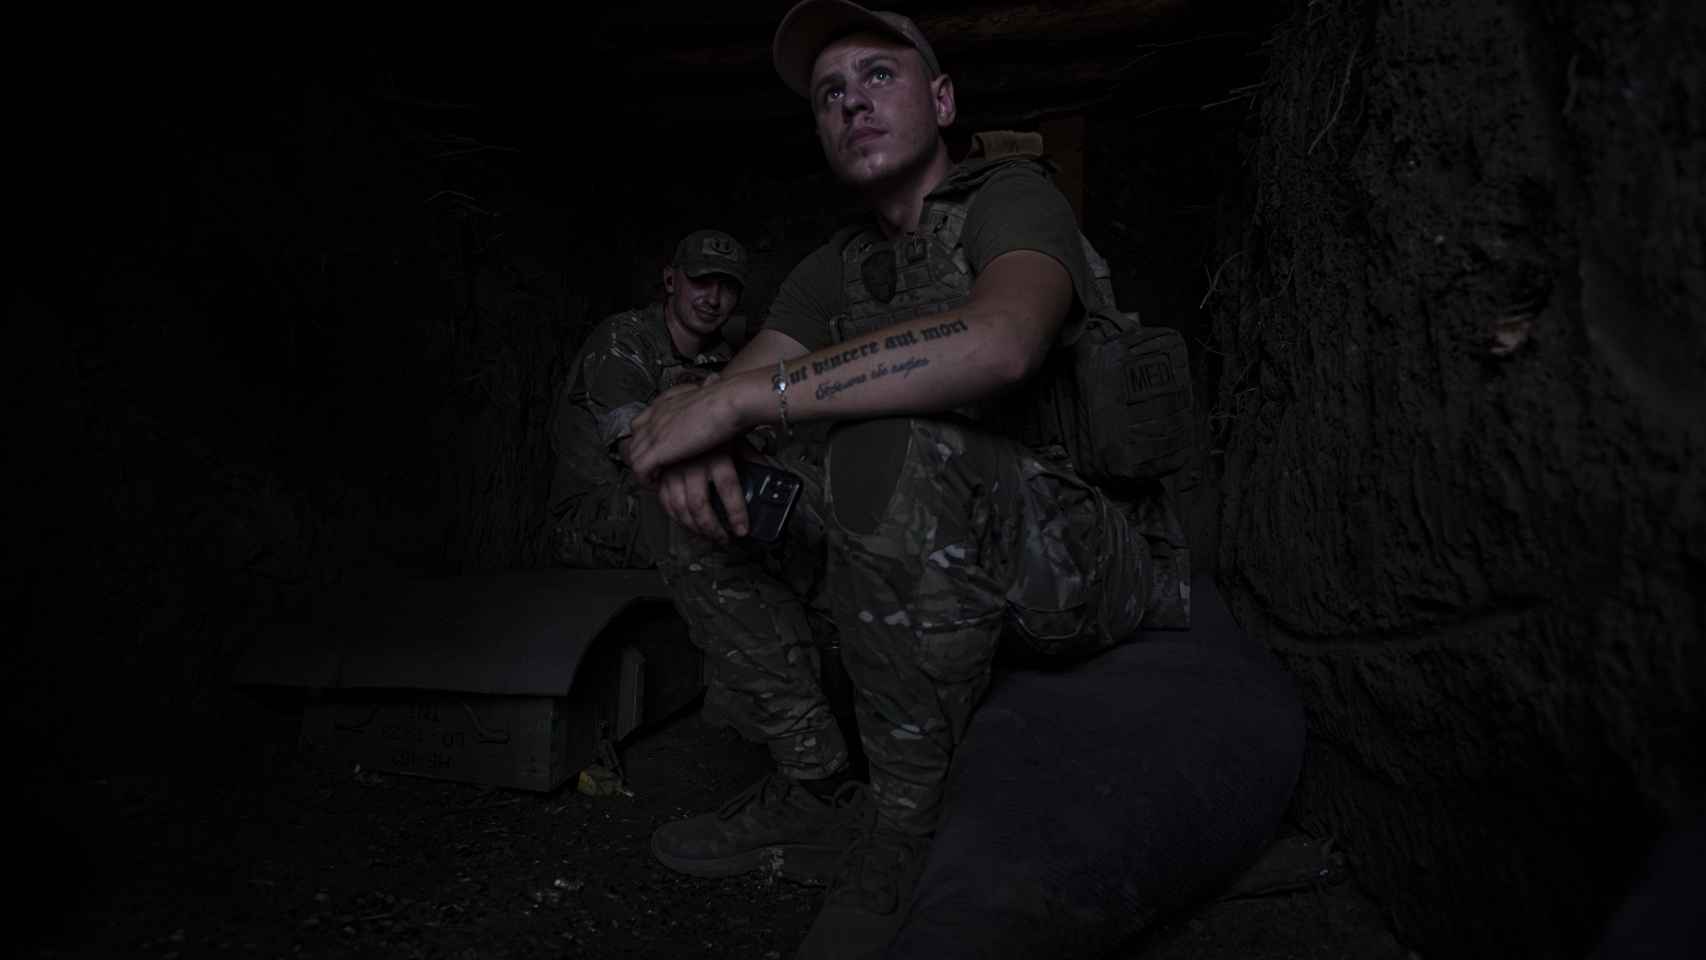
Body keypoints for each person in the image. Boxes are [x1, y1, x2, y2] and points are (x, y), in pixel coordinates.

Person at [625, 3, 1191, 956]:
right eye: (830, 95)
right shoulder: (834, 266)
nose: (853, 103)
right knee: (700, 493)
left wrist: (738, 403)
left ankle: (901, 828)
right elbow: (726, 391)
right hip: (927, 550)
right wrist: (690, 425)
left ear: (940, 98)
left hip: (1083, 551)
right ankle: (815, 785)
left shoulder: (1009, 198)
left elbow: (1004, 342)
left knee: (881, 447)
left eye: (878, 77)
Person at [546, 229, 748, 568]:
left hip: (664, 497)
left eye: (727, 287)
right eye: (702, 281)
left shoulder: (725, 357)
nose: (714, 298)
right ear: (671, 280)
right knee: (712, 509)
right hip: (594, 517)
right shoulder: (623, 340)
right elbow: (639, 449)